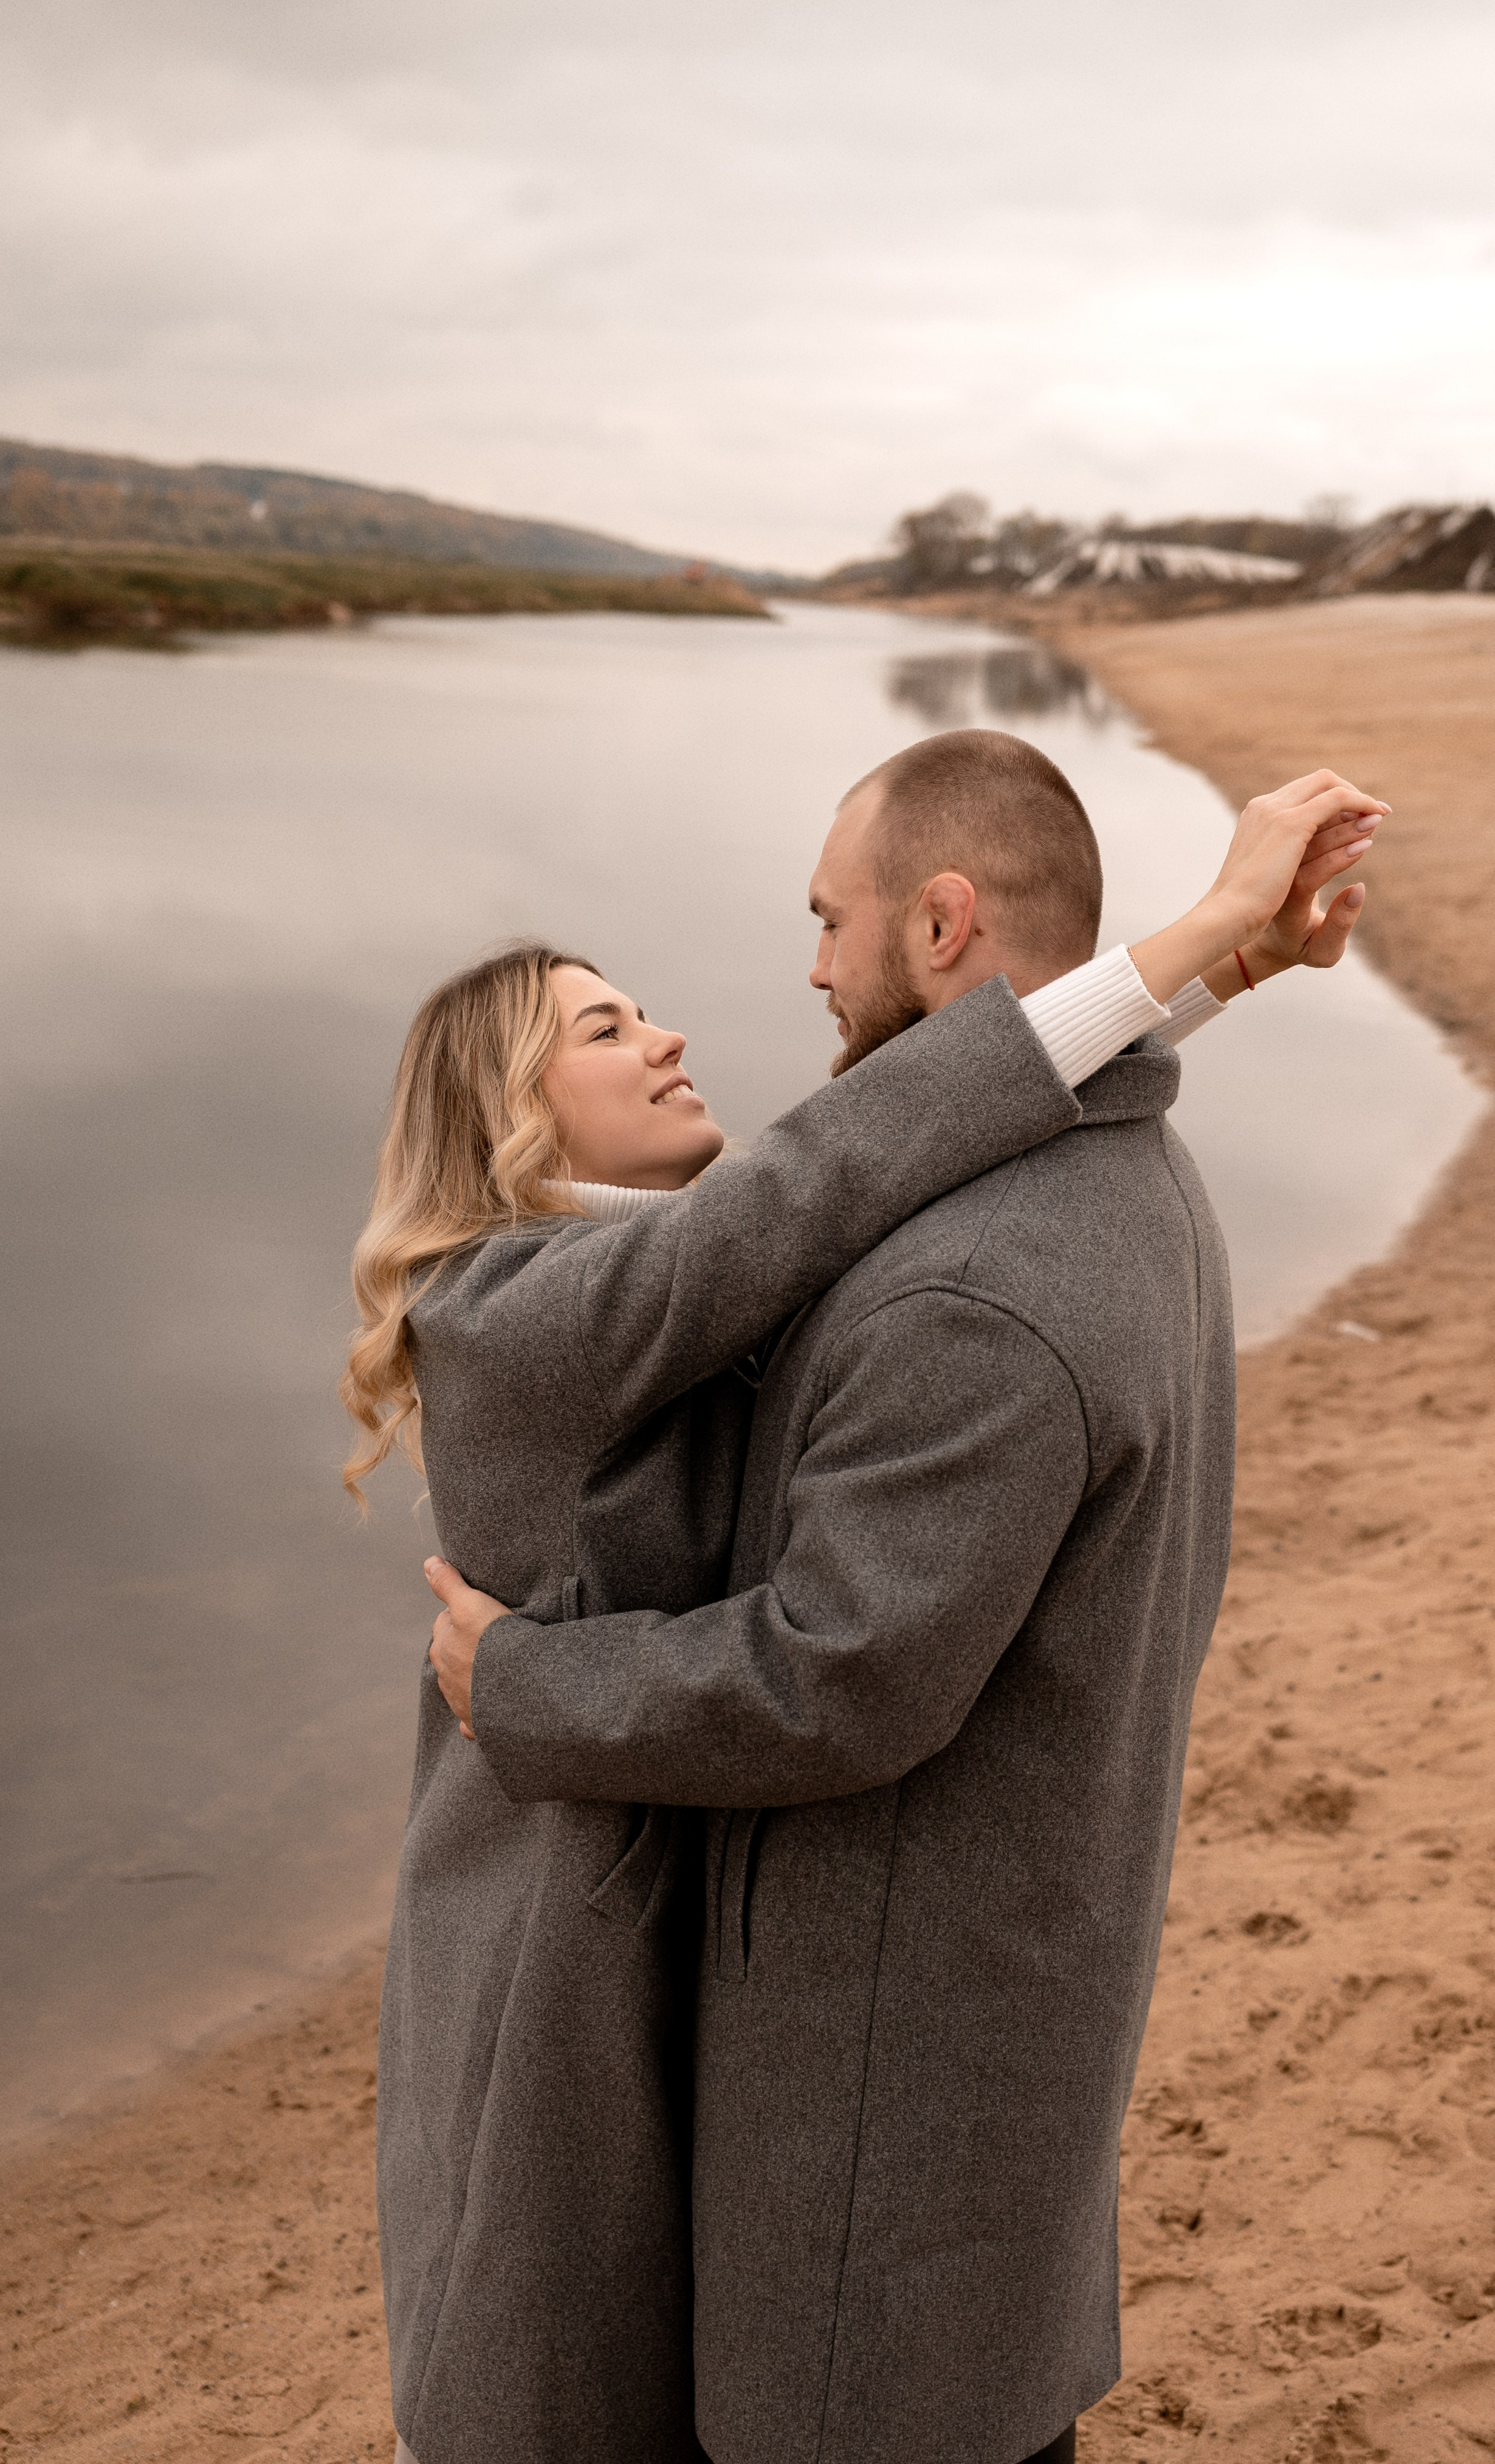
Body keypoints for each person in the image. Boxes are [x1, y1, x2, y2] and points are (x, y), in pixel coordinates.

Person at [414, 740, 1384, 2464]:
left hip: (838, 2061)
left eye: (823, 921)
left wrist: (1203, 958)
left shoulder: (953, 1289)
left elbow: (838, 1663)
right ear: (504, 1117)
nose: (763, 990)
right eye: (607, 1028)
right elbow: (833, 1181)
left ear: (937, 924)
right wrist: (1191, 959)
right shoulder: (517, 1312)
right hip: (572, 1990)